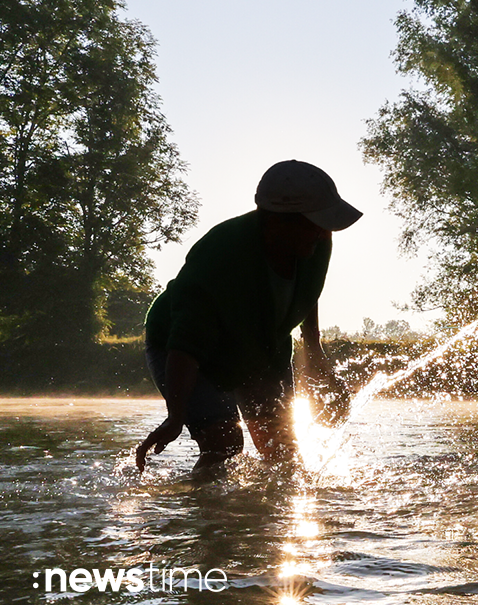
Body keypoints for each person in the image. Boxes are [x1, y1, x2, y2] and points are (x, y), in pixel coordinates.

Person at [136, 160, 362, 475]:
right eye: (317, 222)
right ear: (277, 222)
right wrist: (175, 418)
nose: (325, 233)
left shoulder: (315, 242)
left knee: (282, 451)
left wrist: (315, 351)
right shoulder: (219, 256)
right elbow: (185, 344)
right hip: (181, 347)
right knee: (224, 443)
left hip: (261, 348)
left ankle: (262, 520)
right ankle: (202, 516)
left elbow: (309, 292)